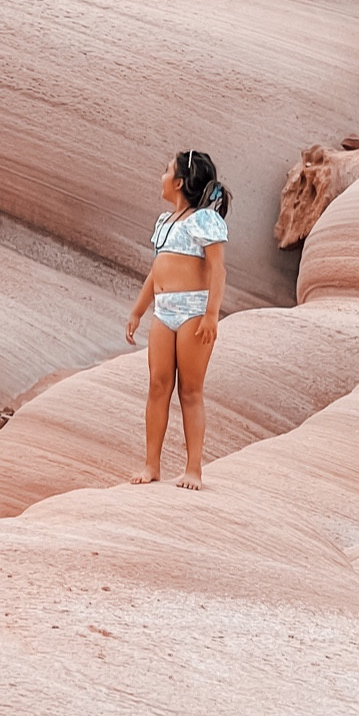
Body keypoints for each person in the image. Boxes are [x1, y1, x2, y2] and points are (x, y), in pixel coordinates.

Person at [126, 149, 230, 490]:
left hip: (194, 312)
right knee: (157, 385)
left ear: (180, 182)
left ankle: (193, 470)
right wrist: (138, 310)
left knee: (190, 390)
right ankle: (151, 465)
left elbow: (217, 269)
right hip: (164, 310)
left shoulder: (203, 219)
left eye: (166, 170)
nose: (162, 176)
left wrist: (212, 315)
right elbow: (157, 272)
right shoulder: (164, 222)